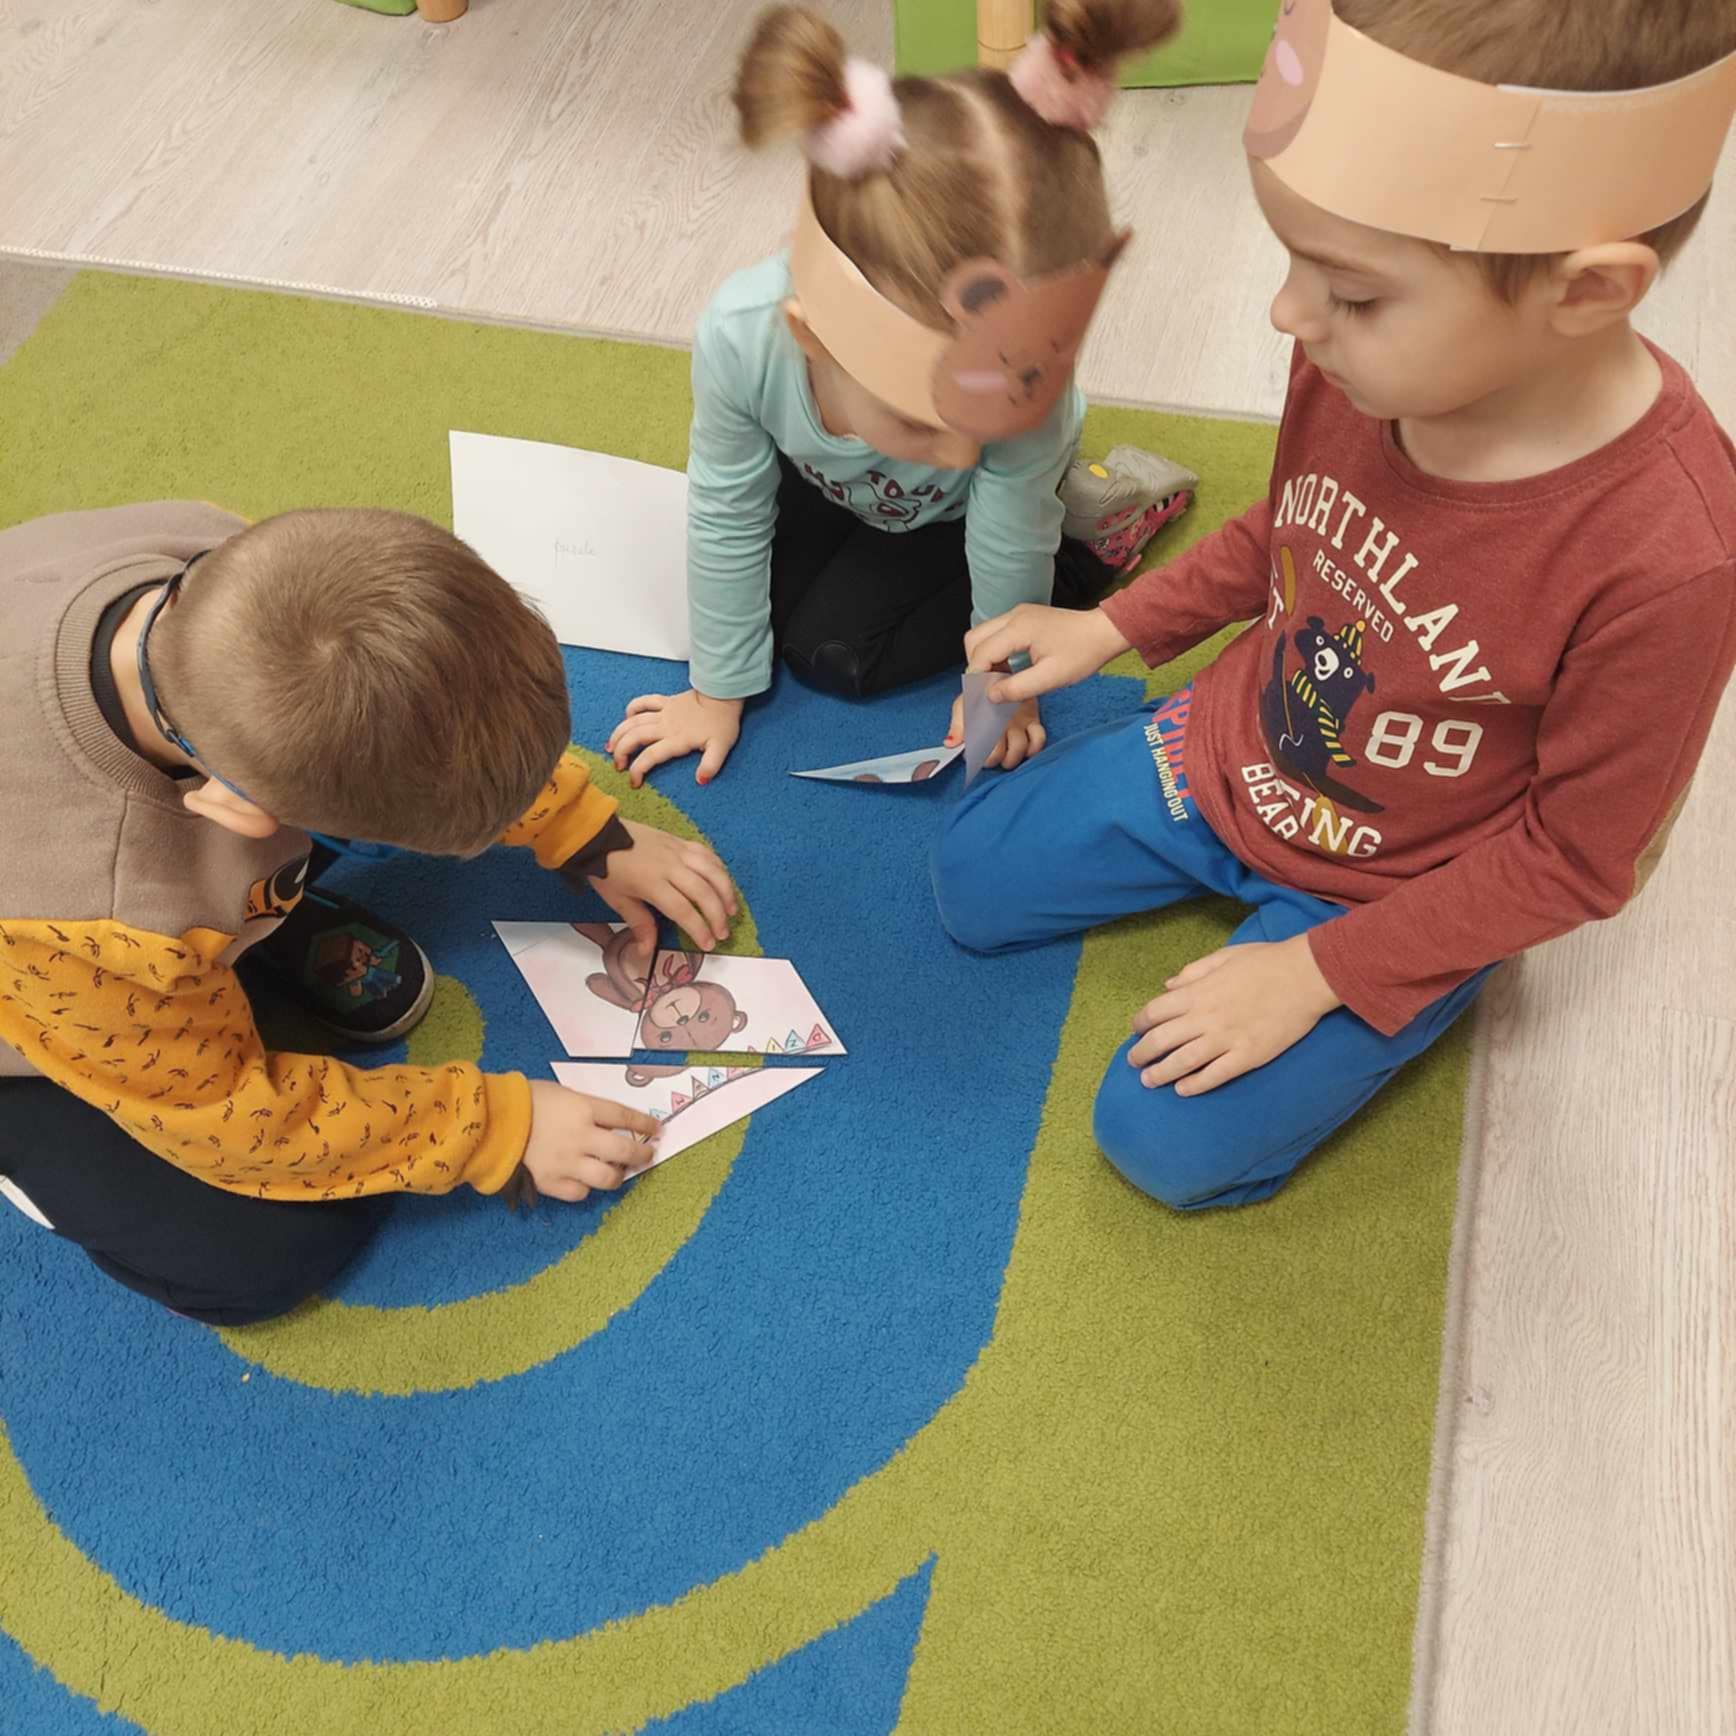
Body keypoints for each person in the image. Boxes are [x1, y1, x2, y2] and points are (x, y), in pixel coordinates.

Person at [934, 0, 1736, 1209]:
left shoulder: (1669, 557)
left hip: (1391, 883)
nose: (1290, 317)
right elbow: (1290, 527)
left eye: (1351, 293)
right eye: (1293, 263)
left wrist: (1320, 968)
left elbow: (1575, 859)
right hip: (1234, 749)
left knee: (1160, 1142)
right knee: (965, 877)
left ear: (1584, 292)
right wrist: (1110, 626)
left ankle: (1421, 974)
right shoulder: (1359, 358)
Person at [0, 503, 737, 1323]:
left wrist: (581, 828)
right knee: (260, 1256)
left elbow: (425, 700)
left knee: (361, 765)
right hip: (41, 995)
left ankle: (240, 918)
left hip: (145, 889)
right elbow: (228, 1123)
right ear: (239, 812)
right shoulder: (94, 913)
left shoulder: (240, 573)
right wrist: (495, 1127)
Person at [608, 0, 1185, 789]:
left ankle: (1090, 541)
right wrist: (716, 693)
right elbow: (726, 510)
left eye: (988, 425)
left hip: (967, 519)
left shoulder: (1012, 418)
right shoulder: (743, 338)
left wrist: (1002, 688)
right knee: (743, 610)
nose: (962, 452)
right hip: (845, 481)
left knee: (836, 655)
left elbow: (1006, 542)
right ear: (812, 336)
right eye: (925, 421)